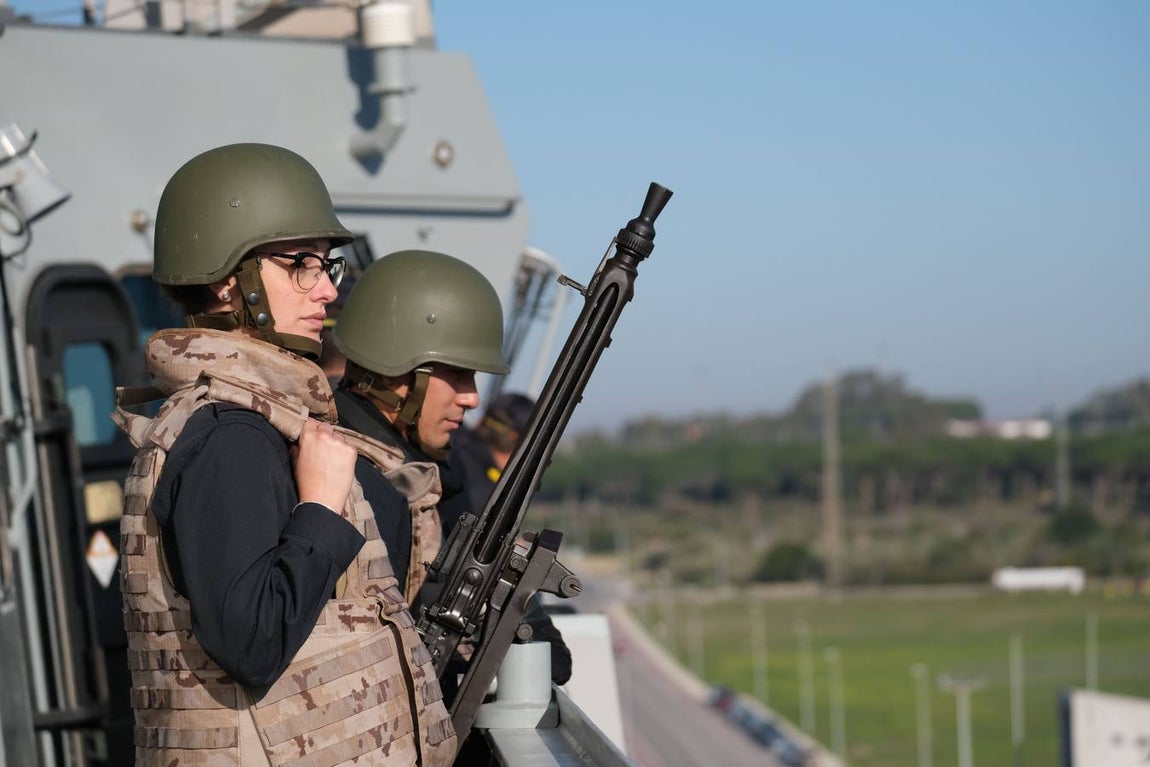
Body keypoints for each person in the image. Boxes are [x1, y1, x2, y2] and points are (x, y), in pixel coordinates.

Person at [111, 144, 454, 767]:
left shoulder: (253, 422)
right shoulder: (228, 436)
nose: (325, 288)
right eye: (301, 264)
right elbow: (251, 639)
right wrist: (322, 506)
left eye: (328, 267)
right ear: (225, 280)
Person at [330, 253, 571, 686]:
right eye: (457, 375)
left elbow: (553, 660)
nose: (471, 398)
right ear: (398, 371)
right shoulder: (347, 475)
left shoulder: (427, 470)